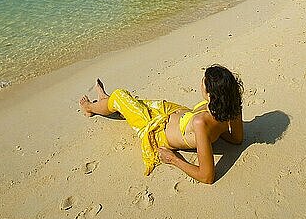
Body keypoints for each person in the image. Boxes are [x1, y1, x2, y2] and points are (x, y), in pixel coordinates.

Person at [79, 65, 244, 184]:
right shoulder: (231, 105)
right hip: (171, 111)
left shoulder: (202, 123)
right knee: (133, 104)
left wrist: (173, 159)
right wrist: (216, 132)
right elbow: (236, 139)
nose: (201, 83)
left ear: (210, 94)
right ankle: (104, 102)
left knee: (120, 96)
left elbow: (207, 176)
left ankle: (89, 108)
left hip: (157, 129)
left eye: (203, 82)